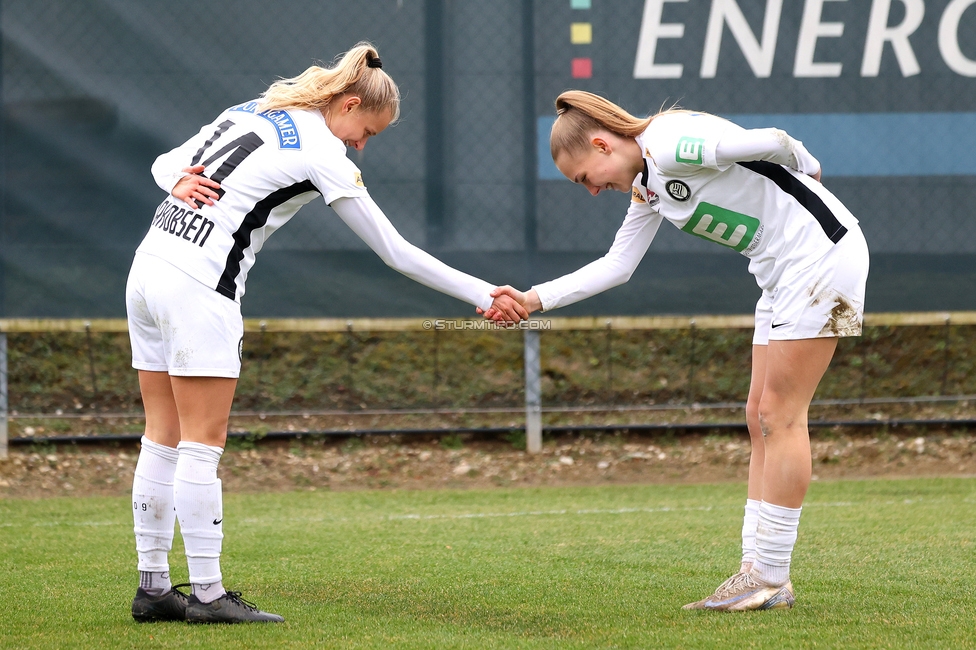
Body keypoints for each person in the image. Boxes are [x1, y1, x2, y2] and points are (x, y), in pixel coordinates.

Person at [127, 42, 527, 624]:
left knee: (161, 434)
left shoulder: (253, 108)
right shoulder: (322, 151)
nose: (361, 145)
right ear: (349, 103)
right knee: (200, 443)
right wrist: (480, 293)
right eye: (366, 131)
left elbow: (166, 164)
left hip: (149, 267)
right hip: (199, 285)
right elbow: (396, 251)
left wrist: (177, 185)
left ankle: (154, 587)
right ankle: (208, 597)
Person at [486, 90, 869, 611]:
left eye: (584, 178)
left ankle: (771, 575)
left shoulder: (669, 144)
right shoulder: (648, 185)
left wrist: (809, 167)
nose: (592, 191)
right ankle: (756, 572)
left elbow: (773, 141)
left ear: (601, 145)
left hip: (822, 256)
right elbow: (618, 265)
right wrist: (532, 300)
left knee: (781, 415)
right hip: (781, 273)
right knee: (758, 414)